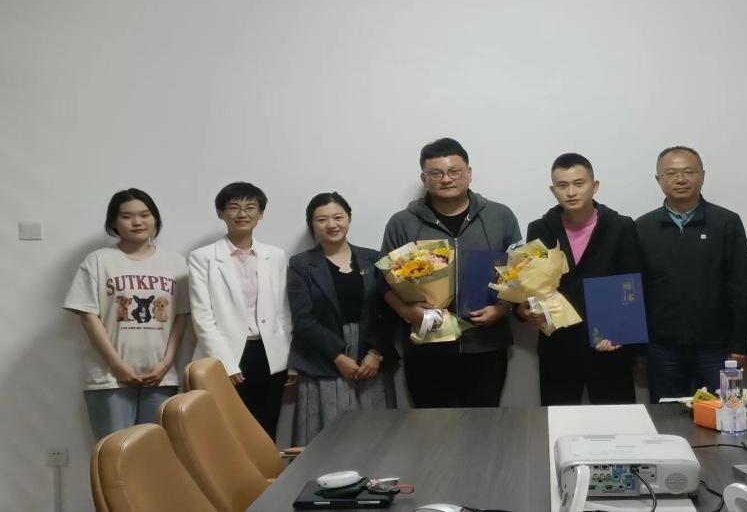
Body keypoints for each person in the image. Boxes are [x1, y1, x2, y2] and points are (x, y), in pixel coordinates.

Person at [381, 138, 521, 408]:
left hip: (485, 344)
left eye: (454, 171)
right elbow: (383, 280)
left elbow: (518, 273)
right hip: (426, 348)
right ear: (424, 179)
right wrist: (407, 312)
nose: (446, 179)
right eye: (436, 173)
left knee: (483, 423)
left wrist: (503, 309)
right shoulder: (402, 223)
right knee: (432, 428)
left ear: (469, 173)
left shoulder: (500, 216)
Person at [63, 188, 189, 441]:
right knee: (114, 454)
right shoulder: (98, 261)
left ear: (155, 219)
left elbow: (181, 316)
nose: (137, 222)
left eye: (145, 215)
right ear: (113, 222)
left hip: (161, 379)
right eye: (127, 216)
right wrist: (116, 365)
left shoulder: (176, 262)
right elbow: (88, 316)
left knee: (155, 452)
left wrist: (166, 364)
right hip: (109, 379)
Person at [518, 153, 643, 405]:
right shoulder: (539, 228)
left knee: (615, 421)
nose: (571, 192)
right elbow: (529, 284)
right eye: (562, 185)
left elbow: (633, 283)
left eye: (579, 183)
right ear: (553, 190)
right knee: (559, 420)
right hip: (558, 346)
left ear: (594, 186)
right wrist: (523, 310)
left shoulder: (620, 226)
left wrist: (625, 335)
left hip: (609, 344)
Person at [635, 146, 747, 402]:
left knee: (721, 414)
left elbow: (740, 286)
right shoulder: (642, 227)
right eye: (671, 173)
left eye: (689, 172)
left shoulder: (726, 222)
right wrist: (639, 348)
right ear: (658, 179)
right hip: (661, 348)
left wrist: (740, 345)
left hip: (716, 348)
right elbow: (637, 290)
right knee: (666, 416)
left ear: (702, 176)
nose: (680, 179)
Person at [287, 192, 399, 445]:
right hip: (324, 358)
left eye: (338, 217)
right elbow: (303, 319)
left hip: (372, 356)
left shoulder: (374, 259)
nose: (331, 225)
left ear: (348, 218)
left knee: (376, 437)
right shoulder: (301, 265)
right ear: (312, 224)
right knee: (331, 440)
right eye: (322, 219)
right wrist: (338, 356)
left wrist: (376, 353)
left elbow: (390, 310)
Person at [188, 182, 293, 439]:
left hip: (270, 354)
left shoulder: (275, 255)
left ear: (261, 213)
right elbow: (202, 317)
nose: (242, 214)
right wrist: (225, 363)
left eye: (250, 207)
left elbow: (284, 312)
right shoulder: (202, 257)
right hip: (226, 354)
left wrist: (288, 361)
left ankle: (268, 468)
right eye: (234, 207)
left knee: (266, 428)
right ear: (221, 213)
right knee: (228, 433)